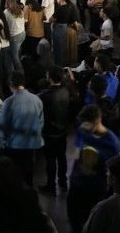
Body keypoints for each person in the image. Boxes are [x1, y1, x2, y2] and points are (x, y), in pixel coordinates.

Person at [68, 104, 120, 233]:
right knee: (73, 216)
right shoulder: (82, 130)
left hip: (96, 188)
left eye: (86, 124)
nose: (82, 127)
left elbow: (119, 168)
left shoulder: (113, 144)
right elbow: (77, 151)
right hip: (77, 184)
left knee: (92, 221)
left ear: (97, 121)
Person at [0, 71, 44, 185]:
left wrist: (3, 140)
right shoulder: (36, 99)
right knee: (28, 172)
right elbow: (41, 121)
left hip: (15, 144)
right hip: (32, 142)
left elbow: (3, 126)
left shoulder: (9, 102)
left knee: (16, 174)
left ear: (10, 85)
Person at [37, 65, 71, 193]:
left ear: (49, 78)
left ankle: (51, 185)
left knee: (50, 160)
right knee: (62, 157)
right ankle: (63, 181)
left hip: (49, 132)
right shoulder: (66, 91)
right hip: (62, 130)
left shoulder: (44, 96)